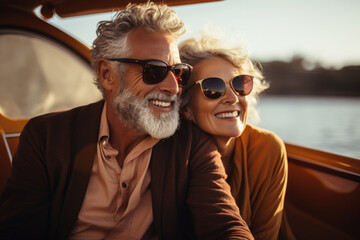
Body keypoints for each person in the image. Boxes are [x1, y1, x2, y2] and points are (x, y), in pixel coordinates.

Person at [0, 2, 254, 240]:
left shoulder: (193, 145)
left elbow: (226, 225)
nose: (172, 87)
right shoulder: (45, 137)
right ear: (108, 75)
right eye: (154, 70)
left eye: (178, 73)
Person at [179, 33, 296, 240]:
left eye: (239, 84)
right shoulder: (172, 156)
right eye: (213, 88)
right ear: (186, 107)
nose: (233, 98)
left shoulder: (267, 149)